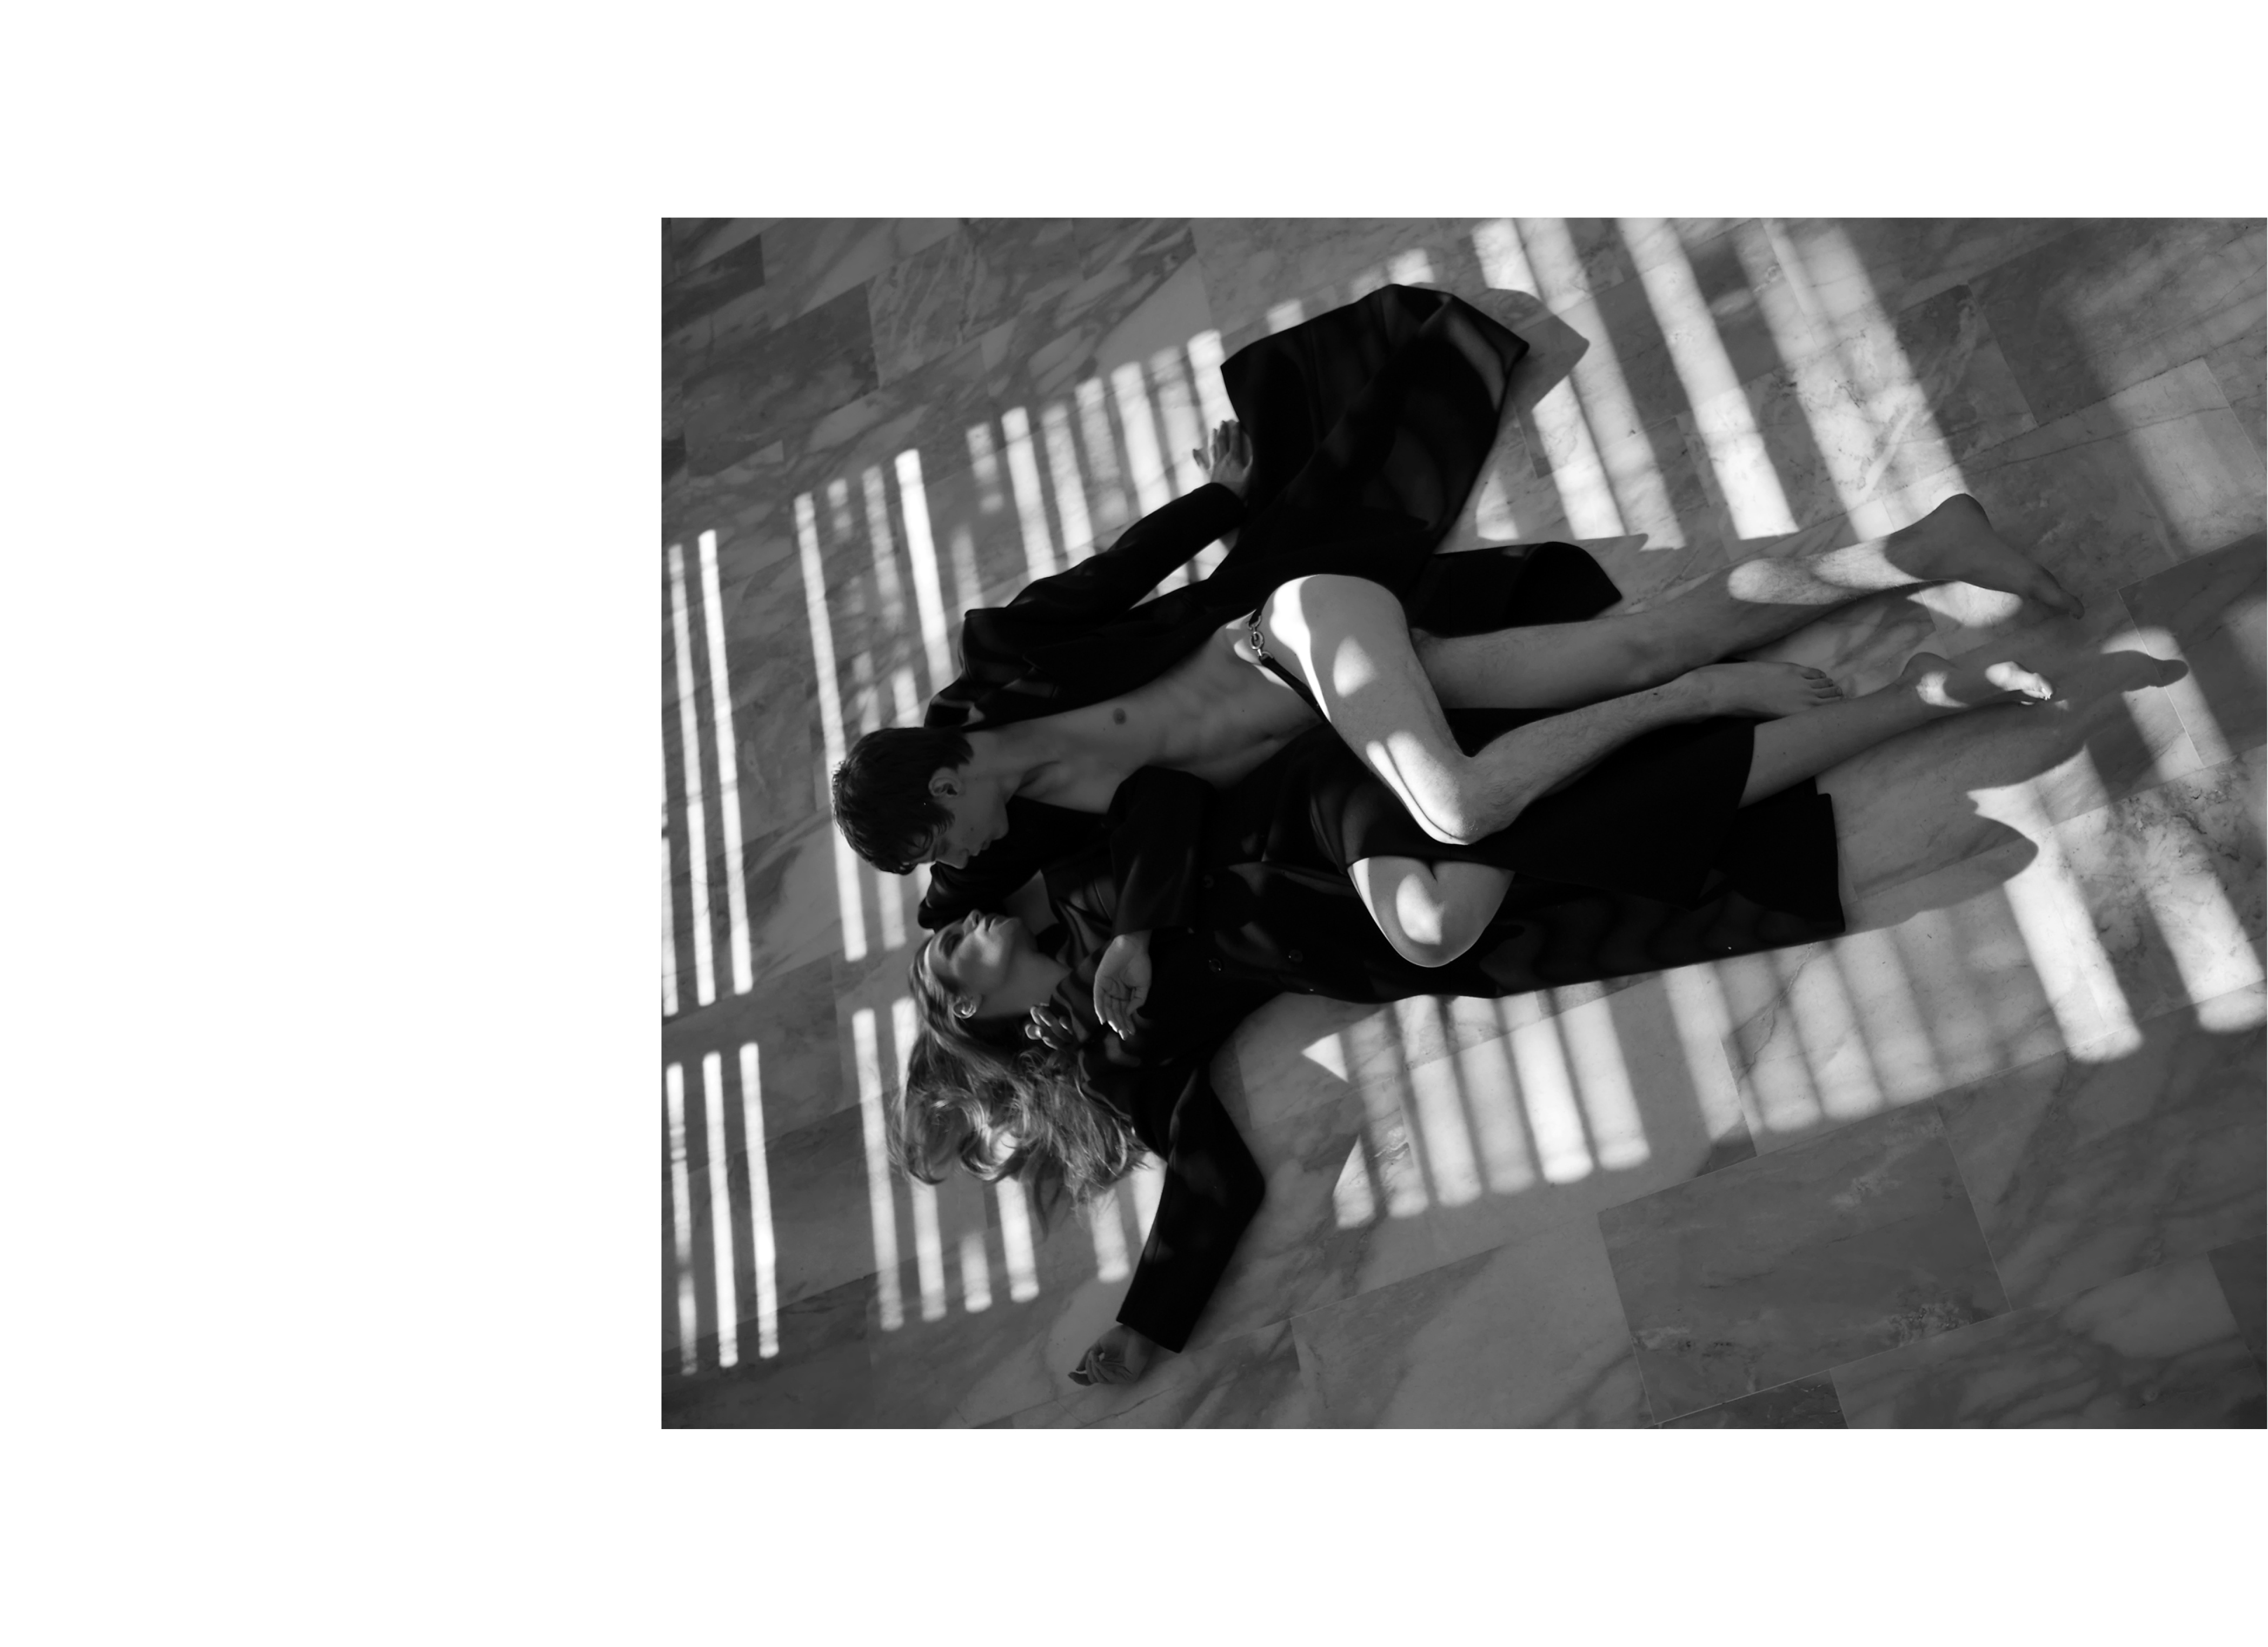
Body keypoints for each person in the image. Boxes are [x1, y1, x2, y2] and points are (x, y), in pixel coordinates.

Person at [892, 636, 2085, 1389]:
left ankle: (1686, 699)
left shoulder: (1085, 896)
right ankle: (1921, 695)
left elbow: (1160, 795)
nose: (959, 924)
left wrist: (1139, 931)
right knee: (1617, 832)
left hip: (1323, 811)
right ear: (976, 1010)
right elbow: (1214, 1178)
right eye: (949, 954)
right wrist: (1150, 1321)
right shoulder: (1118, 1058)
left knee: (1444, 915)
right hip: (1357, 929)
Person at [828, 283, 2085, 933]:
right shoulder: (1019, 830)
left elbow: (1114, 575)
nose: (952, 860)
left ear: (943, 779)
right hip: (1356, 707)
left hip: (1294, 632)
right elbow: (950, 912)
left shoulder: (1004, 662)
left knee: (1463, 806)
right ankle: (1924, 546)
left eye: (936, 838)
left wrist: (1222, 501)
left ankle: (1698, 699)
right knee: (1638, 643)